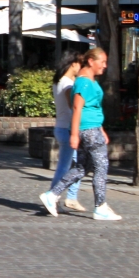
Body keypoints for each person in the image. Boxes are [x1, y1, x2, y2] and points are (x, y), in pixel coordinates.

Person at [40, 48, 122, 221]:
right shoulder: (83, 82)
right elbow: (77, 107)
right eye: (103, 62)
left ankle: (52, 195)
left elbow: (92, 108)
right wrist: (75, 134)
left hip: (92, 128)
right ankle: (100, 206)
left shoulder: (85, 80)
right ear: (91, 61)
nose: (105, 66)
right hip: (89, 130)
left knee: (82, 167)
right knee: (101, 167)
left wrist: (101, 129)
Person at [48, 51, 85, 212]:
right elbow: (74, 107)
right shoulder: (68, 84)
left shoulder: (59, 81)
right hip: (67, 127)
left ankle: (71, 197)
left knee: (75, 165)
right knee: (65, 167)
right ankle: (52, 196)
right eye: (80, 64)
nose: (81, 67)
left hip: (61, 126)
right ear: (73, 64)